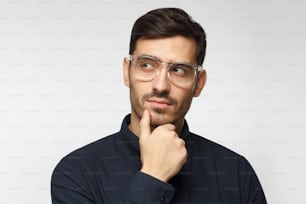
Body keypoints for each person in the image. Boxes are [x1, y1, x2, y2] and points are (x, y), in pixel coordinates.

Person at [51, 7, 267, 204]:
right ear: (127, 72)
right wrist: (153, 177)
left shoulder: (236, 173)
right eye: (147, 65)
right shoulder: (76, 173)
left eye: (179, 70)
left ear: (198, 84)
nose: (161, 85)